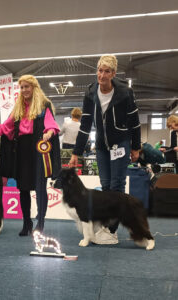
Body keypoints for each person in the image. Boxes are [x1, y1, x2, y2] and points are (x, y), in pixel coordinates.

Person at [69, 55, 141, 244]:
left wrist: (136, 147)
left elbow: (134, 123)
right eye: (100, 70)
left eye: (107, 71)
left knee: (117, 186)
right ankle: (108, 225)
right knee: (106, 185)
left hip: (121, 143)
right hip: (101, 145)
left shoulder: (125, 92)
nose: (102, 75)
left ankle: (112, 230)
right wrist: (76, 152)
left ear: (113, 74)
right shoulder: (91, 92)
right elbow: (85, 125)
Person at [0, 75, 61, 235]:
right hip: (22, 150)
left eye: (27, 86)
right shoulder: (18, 106)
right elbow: (7, 125)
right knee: (23, 189)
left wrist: (49, 132)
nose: (24, 90)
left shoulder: (44, 105)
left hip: (39, 150)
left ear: (34, 87)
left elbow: (51, 124)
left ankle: (40, 223)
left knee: (40, 189)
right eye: (22, 87)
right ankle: (26, 223)